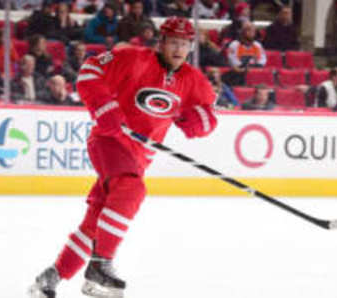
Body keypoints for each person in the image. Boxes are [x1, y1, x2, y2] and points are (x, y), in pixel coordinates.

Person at [28, 16, 218, 298]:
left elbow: (210, 114)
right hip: (110, 141)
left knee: (96, 223)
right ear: (162, 42)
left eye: (185, 44)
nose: (179, 49)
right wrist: (105, 107)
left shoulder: (192, 80)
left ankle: (50, 279)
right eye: (174, 42)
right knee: (132, 189)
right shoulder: (133, 58)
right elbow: (89, 73)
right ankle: (100, 265)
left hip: (139, 158)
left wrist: (198, 121)